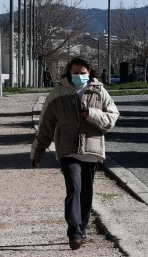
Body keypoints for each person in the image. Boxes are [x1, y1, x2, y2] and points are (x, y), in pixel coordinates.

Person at [30, 57, 119, 250]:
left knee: (86, 192)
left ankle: (83, 228)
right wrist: (37, 151)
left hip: (91, 149)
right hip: (67, 150)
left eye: (83, 73)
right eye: (76, 73)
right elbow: (45, 125)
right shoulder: (57, 94)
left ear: (90, 73)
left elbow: (112, 117)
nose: (80, 76)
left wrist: (92, 115)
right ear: (69, 73)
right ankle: (74, 233)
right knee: (74, 188)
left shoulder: (99, 91)